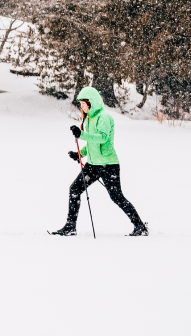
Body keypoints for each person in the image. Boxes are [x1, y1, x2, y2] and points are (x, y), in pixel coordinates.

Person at [51, 87, 148, 237]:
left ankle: (140, 227)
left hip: (109, 165)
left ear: (92, 102)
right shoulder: (89, 118)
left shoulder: (104, 117)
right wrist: (80, 154)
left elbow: (102, 137)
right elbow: (92, 144)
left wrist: (81, 134)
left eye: (84, 103)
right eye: (81, 103)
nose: (81, 106)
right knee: (75, 190)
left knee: (116, 197)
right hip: (93, 165)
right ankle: (70, 227)